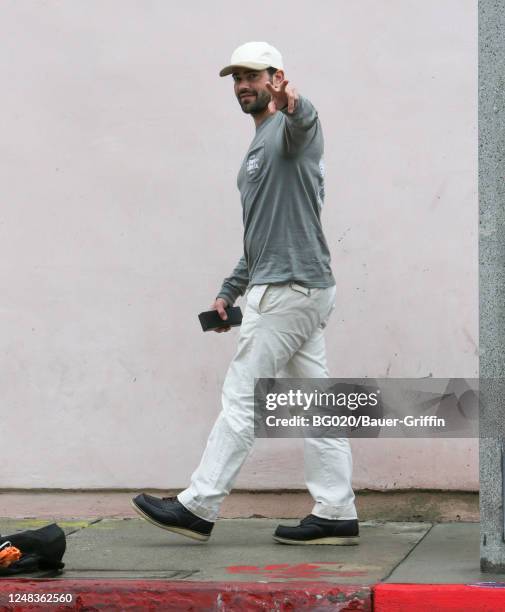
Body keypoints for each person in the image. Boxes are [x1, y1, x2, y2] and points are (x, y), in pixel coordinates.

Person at [132, 41, 359, 545]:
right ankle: (337, 511)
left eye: (253, 76)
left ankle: (198, 505)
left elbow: (307, 123)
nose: (242, 86)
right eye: (236, 78)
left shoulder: (288, 130)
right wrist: (232, 288)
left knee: (241, 397)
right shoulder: (258, 147)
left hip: (287, 290)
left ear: (275, 77)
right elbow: (262, 231)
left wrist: (294, 103)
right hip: (294, 285)